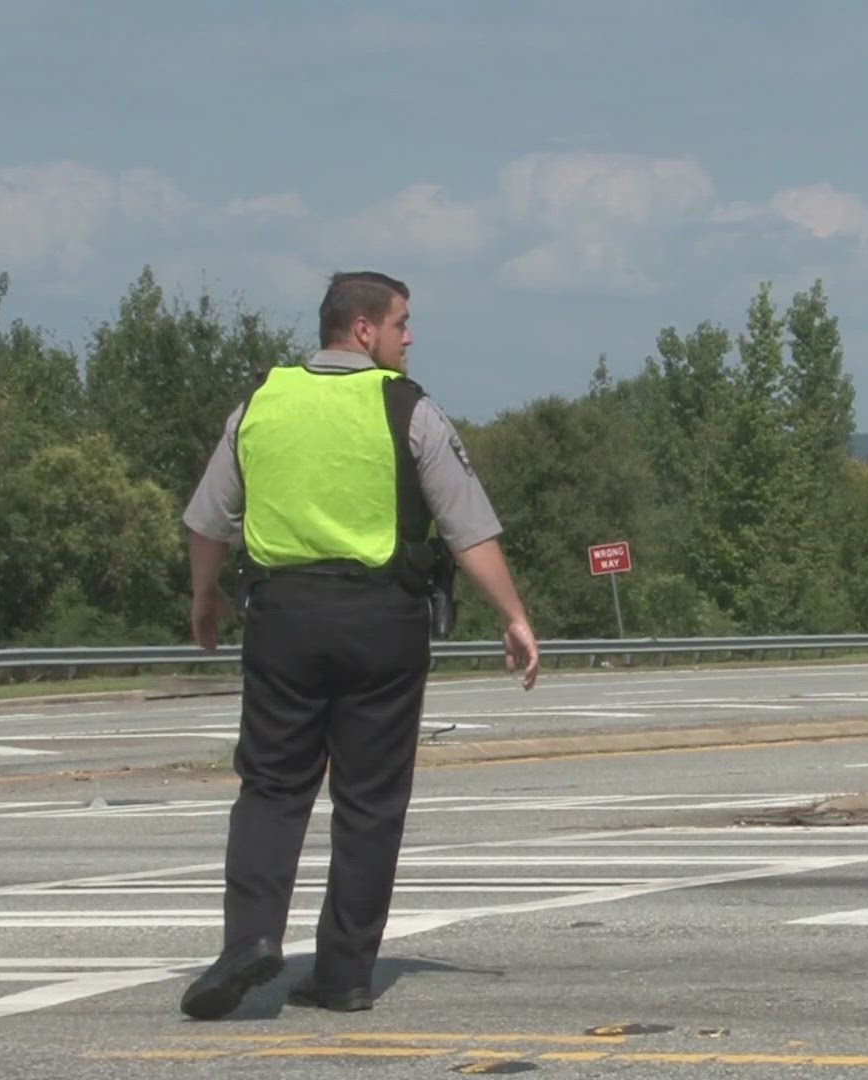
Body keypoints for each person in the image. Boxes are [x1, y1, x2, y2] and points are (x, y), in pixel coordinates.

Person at [176, 270, 539, 1021]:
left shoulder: (260, 403)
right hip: (382, 622)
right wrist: (512, 614)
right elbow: (469, 526)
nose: (412, 336)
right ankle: (343, 973)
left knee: (272, 788)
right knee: (369, 803)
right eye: (403, 322)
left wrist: (204, 600)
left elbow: (207, 520)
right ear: (363, 330)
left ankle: (249, 940)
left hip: (284, 619)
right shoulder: (408, 407)